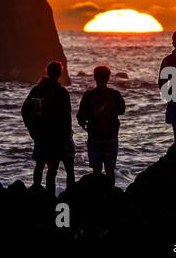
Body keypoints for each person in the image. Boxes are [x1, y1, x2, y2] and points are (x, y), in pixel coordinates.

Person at [22, 61, 75, 195]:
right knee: (52, 170)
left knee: (39, 166)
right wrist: (67, 138)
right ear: (60, 74)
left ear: (47, 72)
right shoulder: (61, 92)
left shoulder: (36, 89)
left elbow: (24, 110)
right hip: (56, 137)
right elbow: (66, 118)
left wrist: (31, 129)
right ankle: (51, 198)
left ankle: (35, 194)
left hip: (39, 134)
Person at [77, 65, 125, 186]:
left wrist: (85, 126)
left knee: (96, 171)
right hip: (111, 136)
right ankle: (111, 197)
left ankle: (97, 198)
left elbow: (80, 117)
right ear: (108, 78)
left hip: (94, 136)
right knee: (110, 171)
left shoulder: (88, 95)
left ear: (95, 77)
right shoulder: (114, 94)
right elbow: (122, 110)